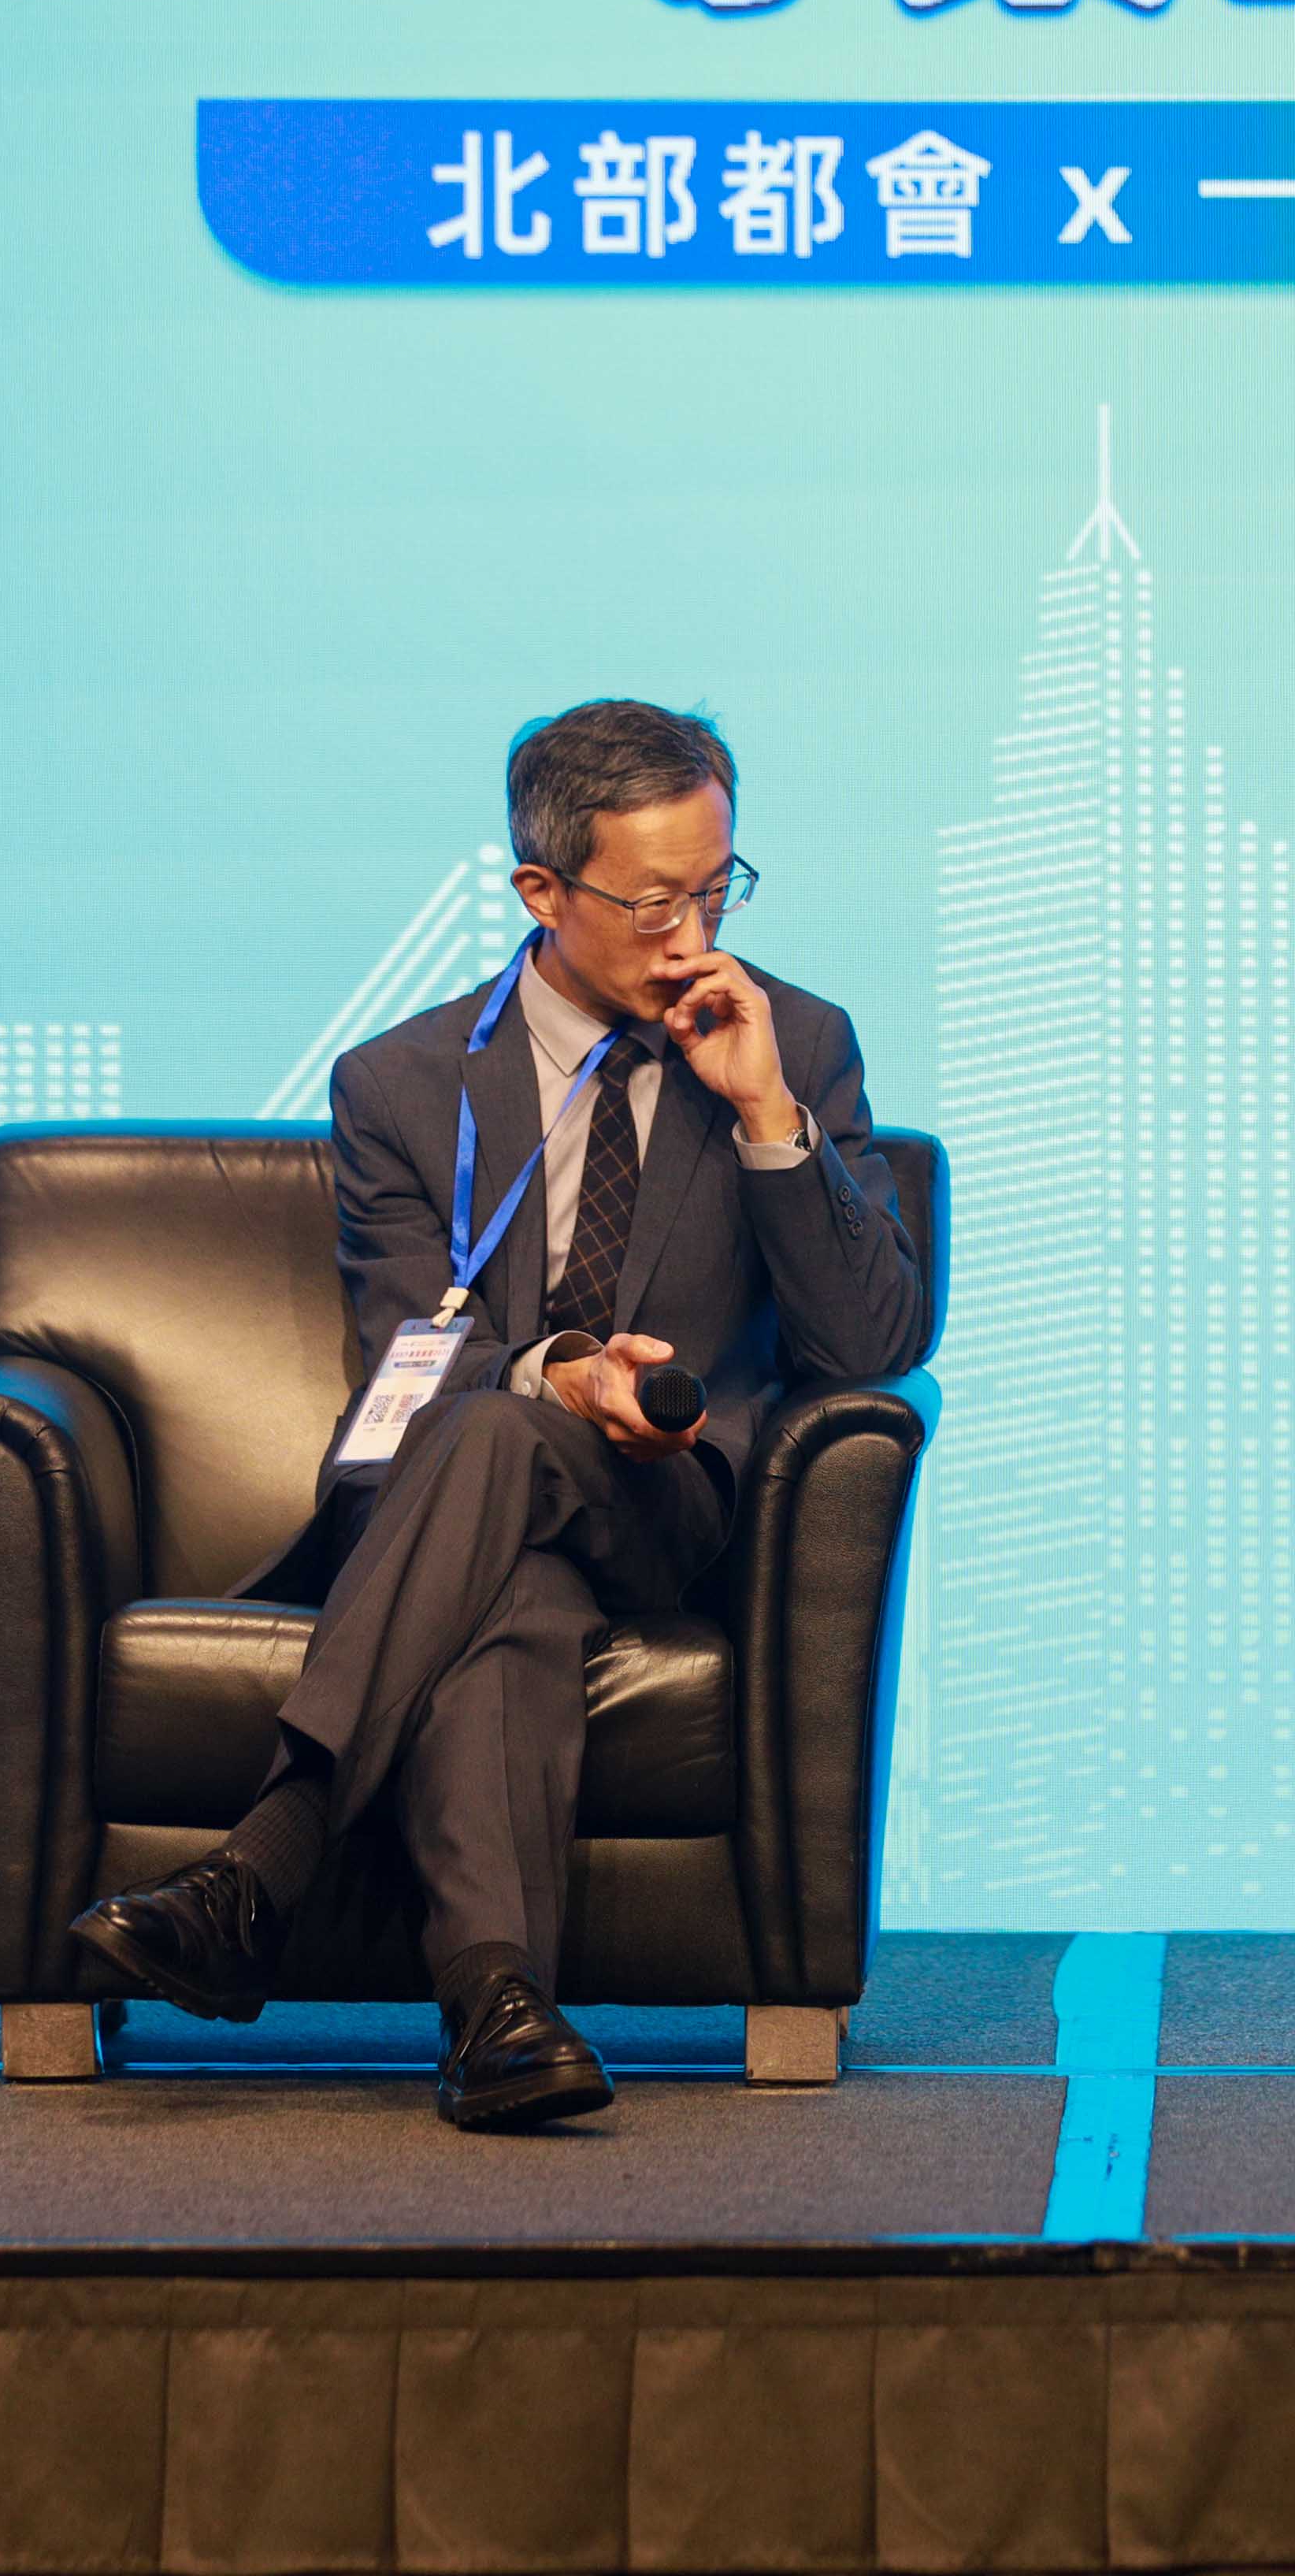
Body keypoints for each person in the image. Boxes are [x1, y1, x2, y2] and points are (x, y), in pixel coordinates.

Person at [66, 700, 929, 2129]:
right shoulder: (401, 1084)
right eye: (650, 902)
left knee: (489, 1442)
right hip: (459, 1501)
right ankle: (498, 2015)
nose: (689, 934)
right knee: (504, 1554)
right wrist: (559, 1375)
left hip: (671, 1506)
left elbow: (872, 1342)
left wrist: (768, 1115)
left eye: (716, 889)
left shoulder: (795, 1040)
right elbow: (407, 1352)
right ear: (541, 888)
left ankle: (264, 1862)